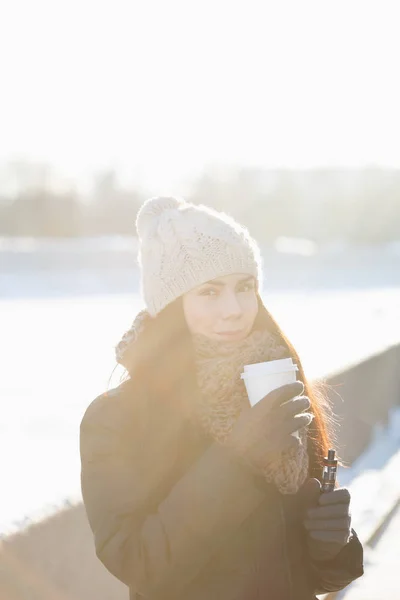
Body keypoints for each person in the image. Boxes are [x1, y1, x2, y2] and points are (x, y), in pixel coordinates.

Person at [80, 196, 364, 600]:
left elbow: (309, 576)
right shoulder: (117, 416)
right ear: (172, 306)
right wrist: (235, 461)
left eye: (244, 287)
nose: (233, 309)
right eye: (209, 293)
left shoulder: (278, 384)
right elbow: (136, 562)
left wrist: (332, 545)